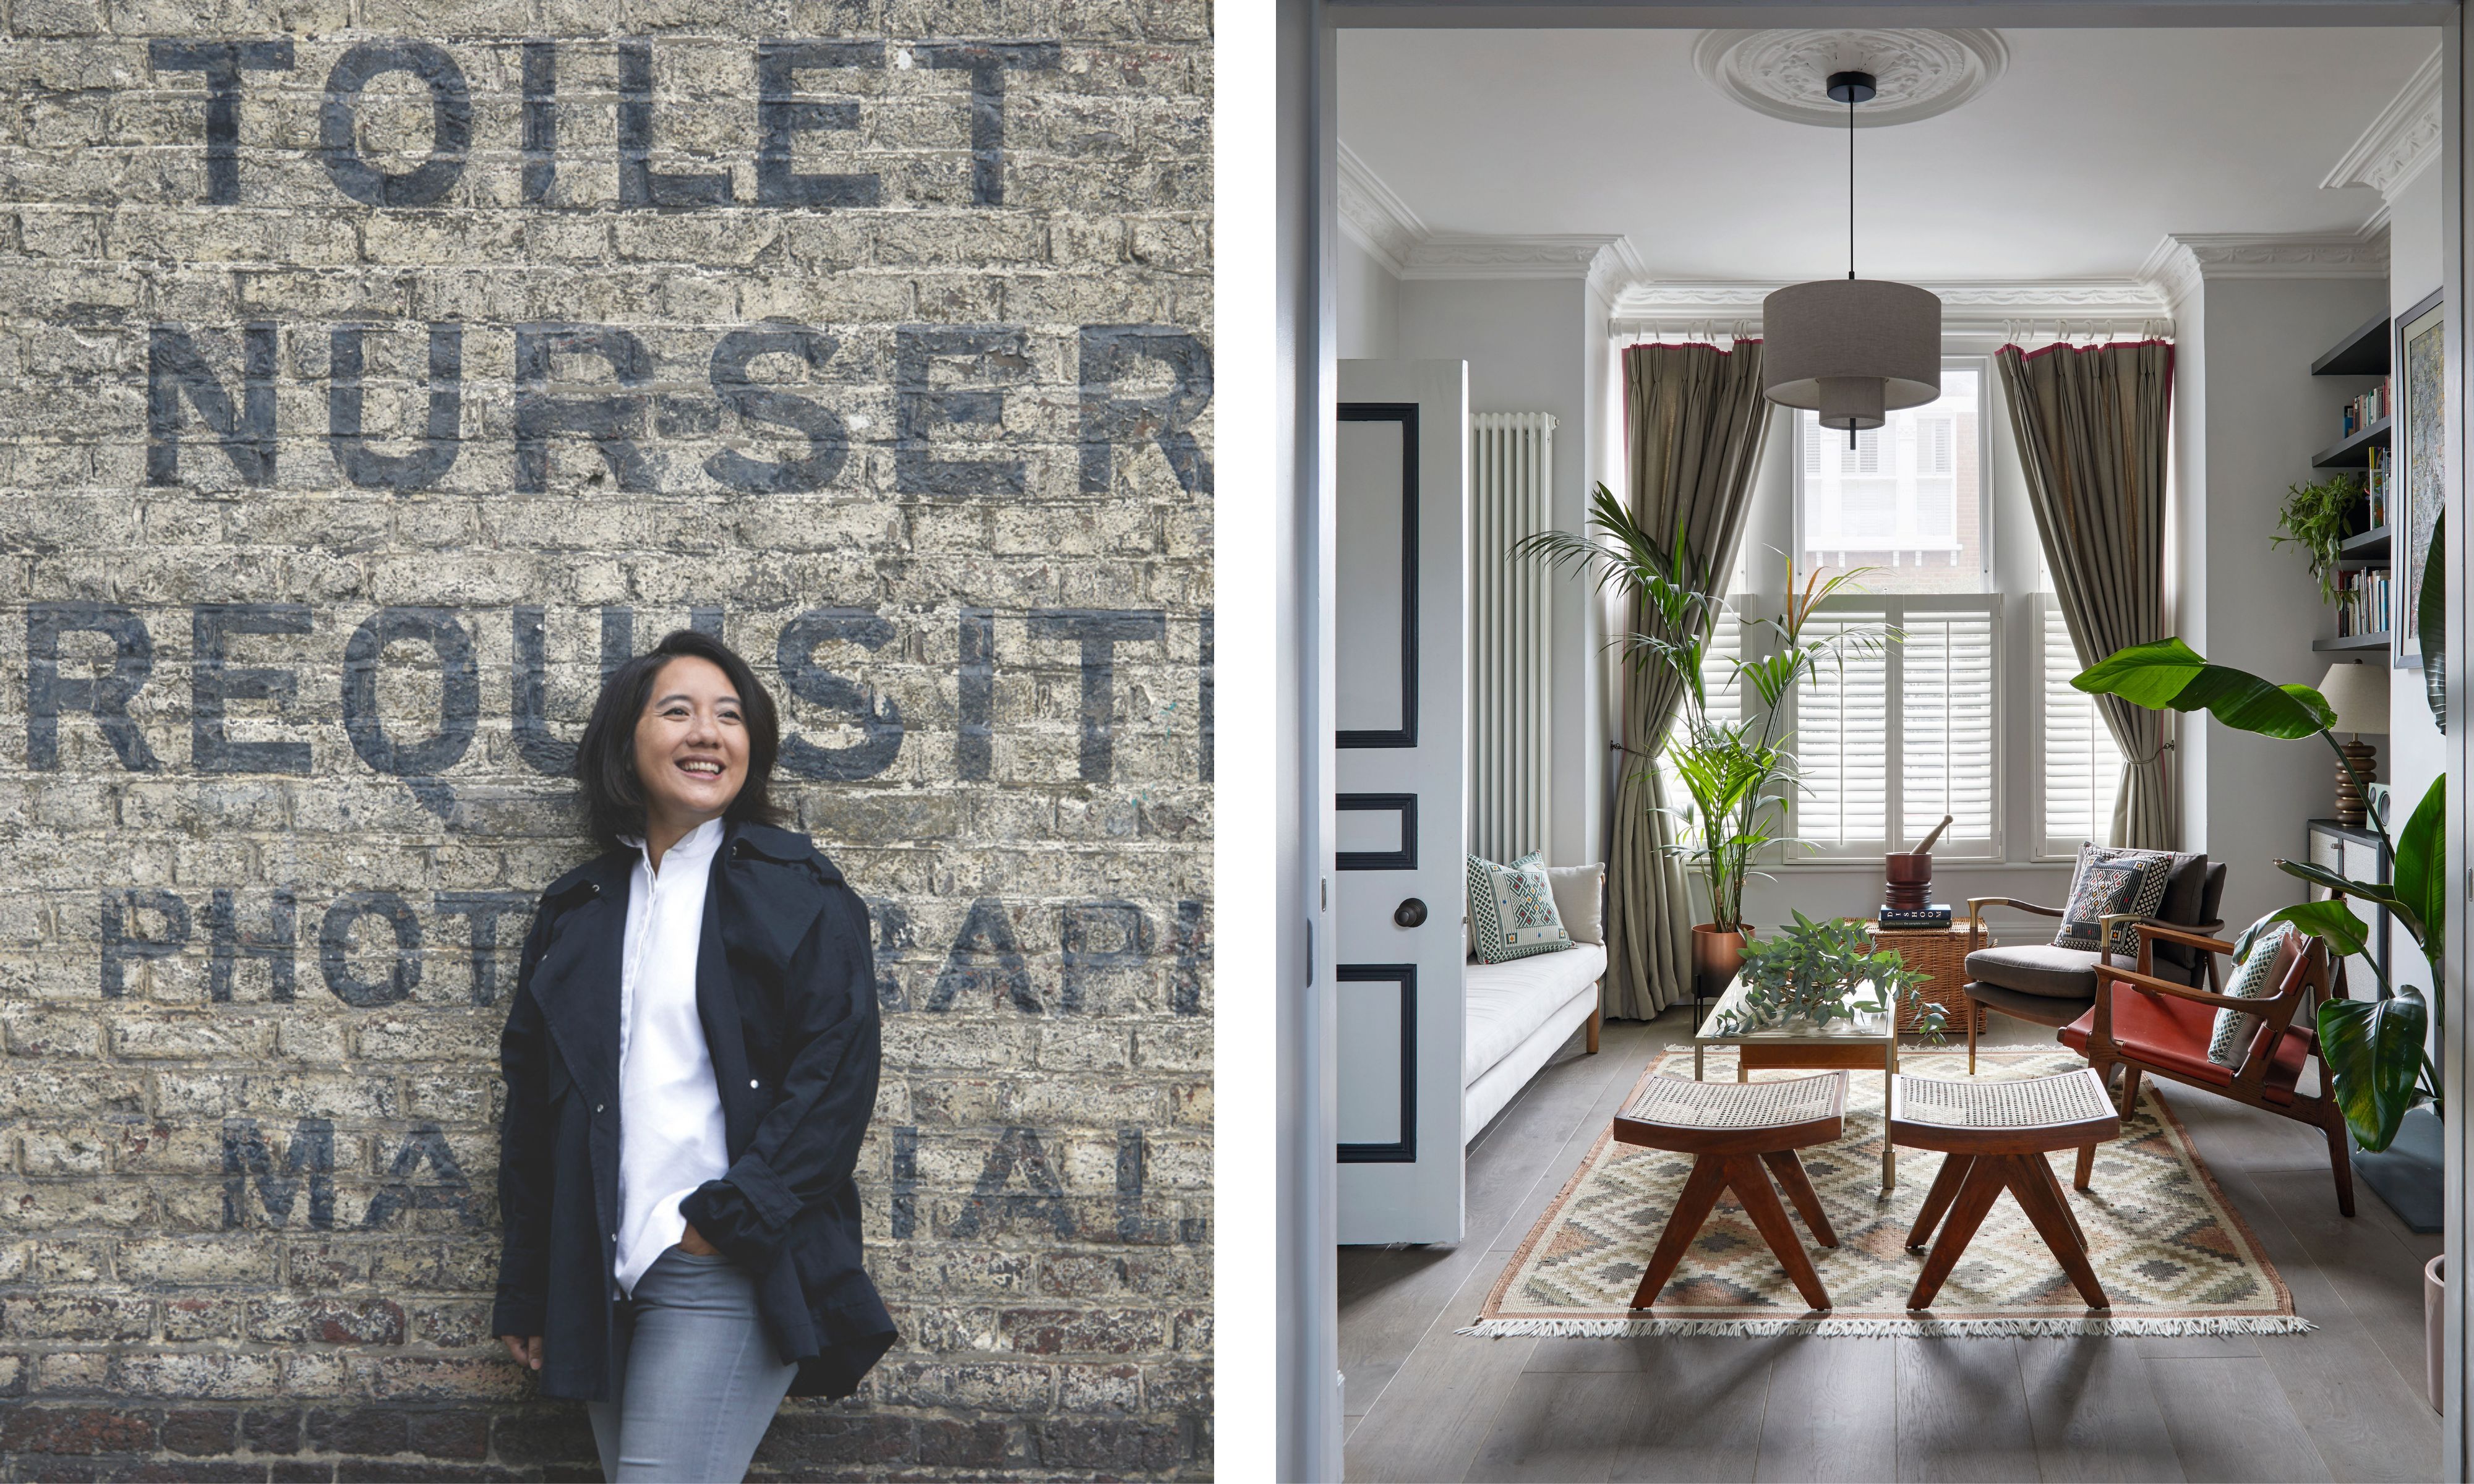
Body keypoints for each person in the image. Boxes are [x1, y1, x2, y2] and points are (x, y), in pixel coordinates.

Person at [492, 629, 897, 1482]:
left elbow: (835, 1083)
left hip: (721, 1259)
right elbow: (533, 1111)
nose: (708, 733)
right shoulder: (577, 911)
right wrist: (532, 1287)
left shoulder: (800, 893)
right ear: (625, 741)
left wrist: (722, 1224)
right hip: (602, 1273)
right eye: (677, 712)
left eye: (730, 716)